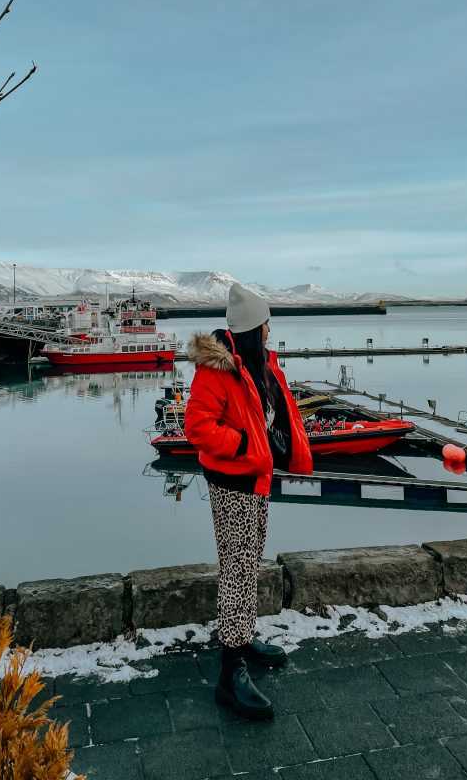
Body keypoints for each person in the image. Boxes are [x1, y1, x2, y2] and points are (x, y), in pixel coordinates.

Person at [185, 283, 313, 720]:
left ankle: (244, 637)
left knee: (250, 558)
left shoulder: (256, 366)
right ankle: (230, 672)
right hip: (232, 481)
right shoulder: (217, 371)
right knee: (237, 569)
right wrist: (243, 444)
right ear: (250, 330)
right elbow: (198, 427)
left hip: (255, 480)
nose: (270, 332)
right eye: (265, 326)